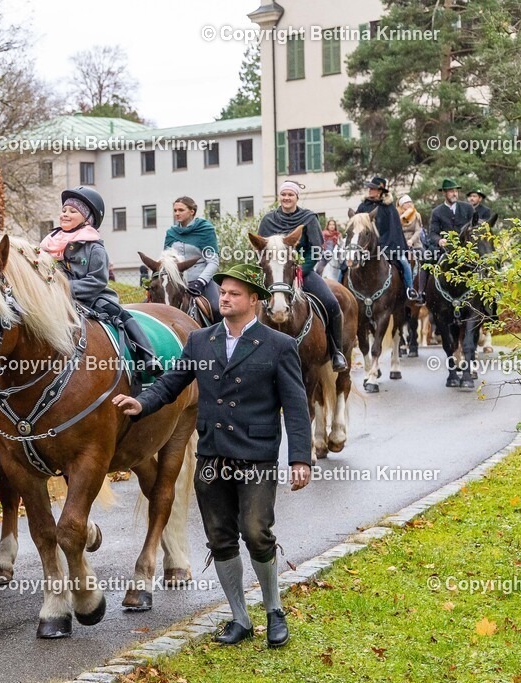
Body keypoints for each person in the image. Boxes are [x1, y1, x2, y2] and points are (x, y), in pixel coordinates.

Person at [112, 263, 312, 649]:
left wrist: (299, 458)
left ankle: (274, 610)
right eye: (223, 292)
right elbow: (172, 382)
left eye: (235, 293)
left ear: (254, 300)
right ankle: (239, 618)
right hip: (212, 457)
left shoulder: (279, 345)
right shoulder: (201, 341)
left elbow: (296, 406)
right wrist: (142, 403)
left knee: (256, 533)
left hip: (256, 457)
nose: (225, 298)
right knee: (220, 539)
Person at [40, 186, 161, 382]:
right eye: (64, 210)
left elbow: (97, 281)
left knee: (121, 314)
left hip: (92, 297)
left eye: (72, 211)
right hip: (54, 297)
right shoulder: (48, 244)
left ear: (87, 219)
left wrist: (64, 288)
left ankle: (148, 356)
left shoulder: (94, 247)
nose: (65, 214)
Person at [257, 181, 349, 371]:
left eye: (290, 195)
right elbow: (260, 249)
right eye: (283, 194)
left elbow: (315, 250)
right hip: (274, 275)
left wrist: (299, 270)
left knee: (332, 303)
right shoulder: (268, 220)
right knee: (248, 304)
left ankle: (336, 352)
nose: (286, 198)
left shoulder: (308, 218)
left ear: (297, 197)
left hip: (303, 272)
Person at [356, 176, 419, 301]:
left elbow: (394, 230)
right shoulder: (363, 206)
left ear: (380, 191)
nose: (370, 190)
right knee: (345, 264)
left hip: (388, 245)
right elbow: (357, 226)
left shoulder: (389, 208)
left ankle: (410, 289)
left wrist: (383, 247)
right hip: (364, 245)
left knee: (404, 262)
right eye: (369, 188)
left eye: (373, 188)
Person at [164, 196, 221, 321]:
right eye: (175, 210)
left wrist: (200, 282)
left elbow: (213, 262)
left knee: (217, 308)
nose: (177, 213)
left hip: (201, 282)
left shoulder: (205, 230)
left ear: (192, 211)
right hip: (176, 284)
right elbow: (166, 261)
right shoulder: (171, 233)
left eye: (181, 210)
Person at [420, 178, 474, 298]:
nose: (455, 194)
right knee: (426, 260)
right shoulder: (437, 212)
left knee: (484, 260)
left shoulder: (468, 208)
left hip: (466, 248)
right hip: (445, 249)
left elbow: (476, 227)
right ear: (444, 193)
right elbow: (432, 233)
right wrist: (439, 240)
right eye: (451, 191)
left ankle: (493, 296)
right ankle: (422, 293)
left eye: (456, 191)